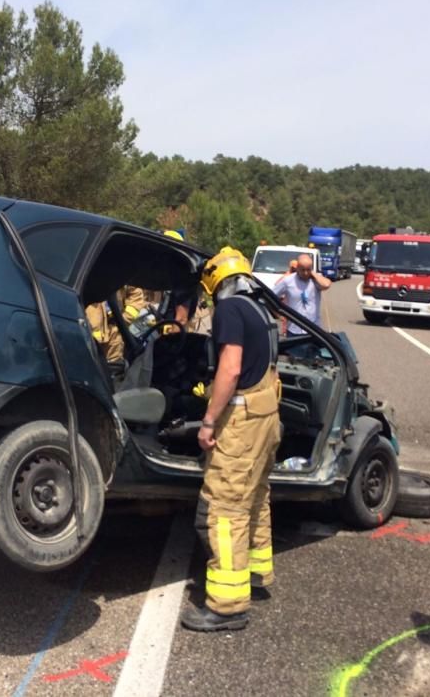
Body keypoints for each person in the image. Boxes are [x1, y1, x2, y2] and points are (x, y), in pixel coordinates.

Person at [181, 246, 282, 633]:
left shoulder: (229, 311)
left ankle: (226, 606)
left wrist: (208, 420)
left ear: (215, 282)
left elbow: (231, 368)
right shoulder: (261, 310)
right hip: (266, 417)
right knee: (255, 498)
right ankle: (254, 577)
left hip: (241, 421)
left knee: (225, 509)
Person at [273, 253, 332, 332]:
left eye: (308, 269)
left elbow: (326, 284)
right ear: (297, 268)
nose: (305, 273)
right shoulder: (288, 281)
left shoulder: (316, 280)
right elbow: (271, 296)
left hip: (314, 330)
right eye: (303, 270)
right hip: (294, 329)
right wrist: (278, 315)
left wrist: (313, 273)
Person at [86, 286, 146, 362]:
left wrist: (123, 319)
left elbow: (136, 297)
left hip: (115, 332)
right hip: (91, 336)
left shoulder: (120, 275)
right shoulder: (87, 276)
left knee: (115, 367)